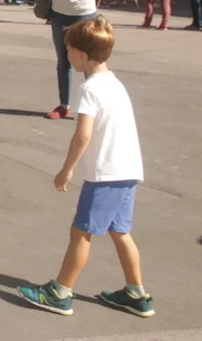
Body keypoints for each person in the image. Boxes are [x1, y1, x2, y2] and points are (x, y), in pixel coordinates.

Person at [17, 17, 151, 318]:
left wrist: (67, 169)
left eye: (68, 50)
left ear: (80, 54)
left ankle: (60, 292)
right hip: (128, 171)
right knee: (120, 232)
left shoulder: (89, 89)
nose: (66, 55)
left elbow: (84, 134)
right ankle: (136, 293)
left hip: (105, 175)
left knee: (81, 232)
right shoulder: (114, 83)